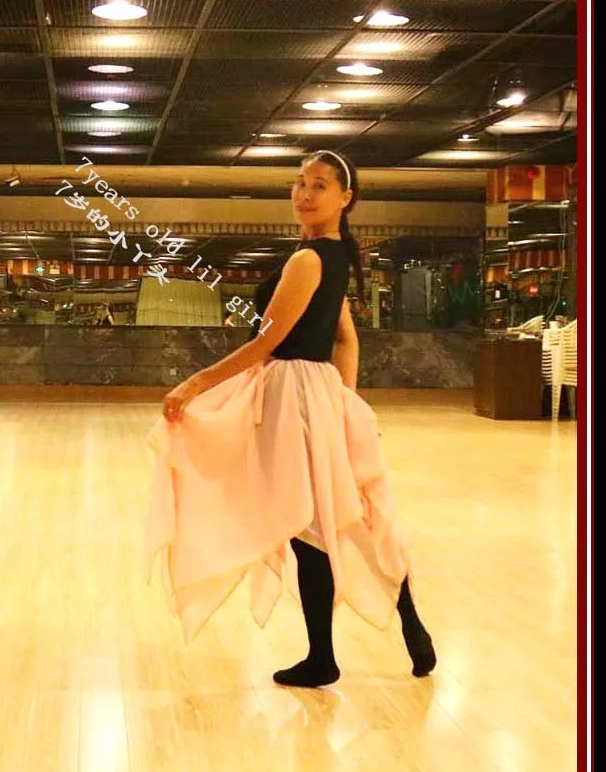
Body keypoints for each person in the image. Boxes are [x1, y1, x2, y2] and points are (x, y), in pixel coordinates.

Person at [144, 149, 436, 688]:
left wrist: (194, 384)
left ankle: (328, 656)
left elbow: (266, 343)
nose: (304, 193)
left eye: (319, 185)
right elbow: (346, 339)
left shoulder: (308, 261)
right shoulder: (332, 256)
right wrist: (341, 401)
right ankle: (404, 629)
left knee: (314, 525)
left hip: (294, 397)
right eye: (300, 183)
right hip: (313, 395)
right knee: (341, 517)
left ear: (345, 198)